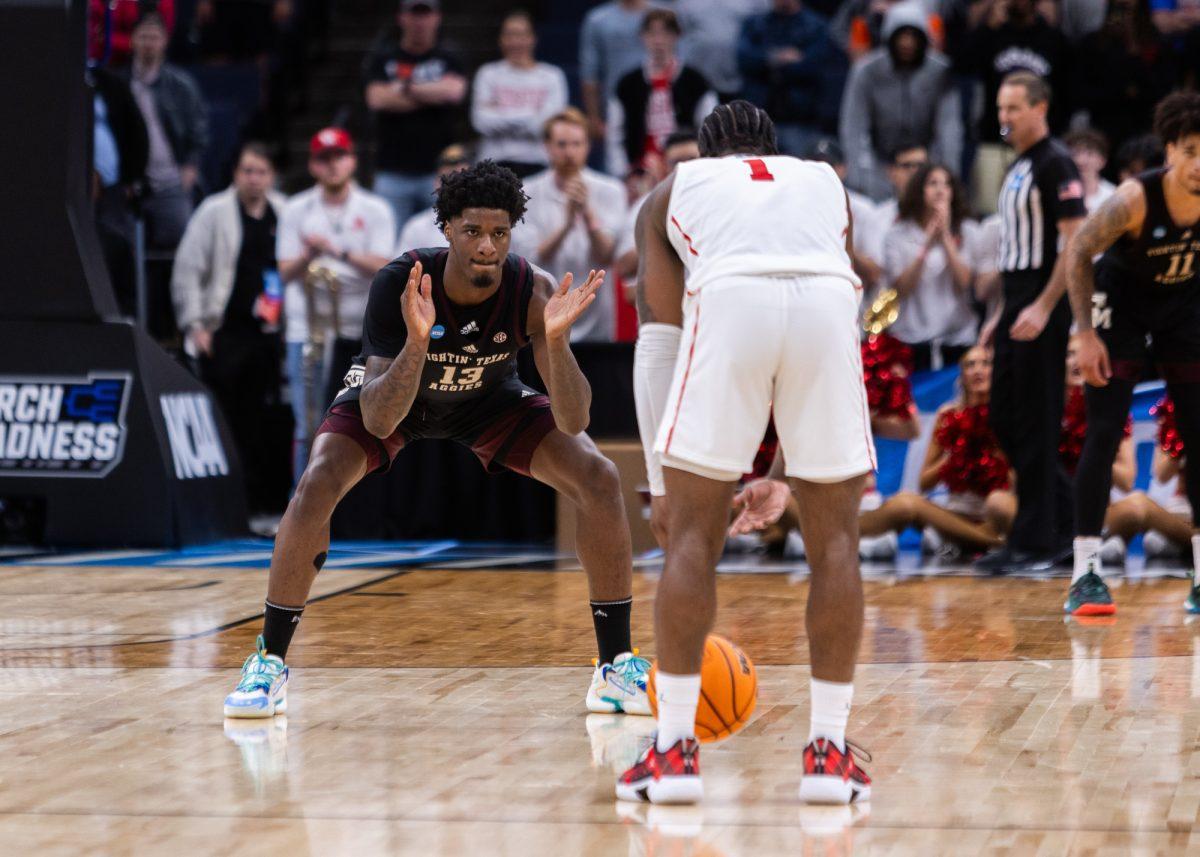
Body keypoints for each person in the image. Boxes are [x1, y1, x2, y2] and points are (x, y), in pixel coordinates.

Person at [223, 161, 651, 720]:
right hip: (397, 393)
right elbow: (377, 419)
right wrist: (419, 344)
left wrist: (557, 340)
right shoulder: (401, 282)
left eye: (499, 234)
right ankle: (269, 662)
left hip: (487, 400)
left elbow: (574, 419)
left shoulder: (533, 289)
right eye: (473, 231)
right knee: (319, 479)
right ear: (446, 228)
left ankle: (615, 666)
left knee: (599, 476)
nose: (486, 247)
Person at [621, 101, 874, 805]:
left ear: (704, 153)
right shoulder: (826, 181)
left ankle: (673, 752)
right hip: (829, 306)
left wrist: (659, 481)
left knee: (694, 541)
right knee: (837, 546)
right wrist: (785, 474)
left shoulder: (675, 189)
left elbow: (660, 339)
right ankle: (828, 753)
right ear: (772, 148)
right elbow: (811, 304)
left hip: (726, 298)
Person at [1065, 90, 1200, 615]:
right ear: (1170, 152)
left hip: (1181, 308)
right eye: (1190, 150)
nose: (1198, 164)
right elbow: (1078, 250)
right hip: (1118, 309)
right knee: (1104, 430)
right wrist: (1084, 333)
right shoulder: (1134, 198)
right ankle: (1085, 573)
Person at [731, 347, 1010, 560]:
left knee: (910, 505)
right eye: (971, 364)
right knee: (762, 495)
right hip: (946, 513)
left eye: (985, 363)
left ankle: (992, 541)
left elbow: (870, 473)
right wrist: (955, 459)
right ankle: (786, 536)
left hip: (989, 511)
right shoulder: (949, 415)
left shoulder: (854, 411)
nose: (978, 370)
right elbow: (926, 481)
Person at [975, 71, 1087, 575]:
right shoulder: (1019, 165)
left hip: (1043, 303)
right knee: (1004, 415)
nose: (1005, 117)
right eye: (1001, 108)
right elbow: (1010, 255)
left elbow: (1075, 243)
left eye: (1014, 108)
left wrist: (1044, 307)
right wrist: (999, 315)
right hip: (1016, 300)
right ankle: (1068, 521)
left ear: (1041, 108)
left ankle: (1036, 541)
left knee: (1036, 421)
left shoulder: (1055, 162)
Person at [171, 143, 289, 512]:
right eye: (247, 171)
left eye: (261, 171)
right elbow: (188, 270)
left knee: (261, 420)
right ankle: (224, 501)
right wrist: (194, 324)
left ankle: (259, 500)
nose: (254, 179)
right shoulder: (214, 212)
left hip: (268, 333)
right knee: (226, 418)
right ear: (236, 174)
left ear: (271, 176)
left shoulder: (284, 212)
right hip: (224, 329)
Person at [276, 128, 395, 483]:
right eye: (323, 158)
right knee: (308, 421)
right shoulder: (296, 208)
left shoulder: (374, 208)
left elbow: (385, 267)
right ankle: (299, 505)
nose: (332, 165)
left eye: (339, 156)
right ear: (313, 165)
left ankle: (350, 512)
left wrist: (336, 251)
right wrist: (310, 254)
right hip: (308, 330)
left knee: (359, 423)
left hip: (358, 332)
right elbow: (284, 271)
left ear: (352, 160)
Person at [515, 109, 627, 343]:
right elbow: (532, 259)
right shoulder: (526, 192)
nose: (569, 153)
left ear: (588, 146)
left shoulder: (611, 190)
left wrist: (587, 214)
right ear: (547, 146)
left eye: (577, 144)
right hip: (544, 312)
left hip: (597, 316)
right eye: (562, 144)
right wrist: (566, 225)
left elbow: (606, 255)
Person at [838, 0, 962, 203]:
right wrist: (861, 177)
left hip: (925, 164)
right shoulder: (866, 71)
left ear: (925, 37)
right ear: (889, 36)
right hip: (879, 164)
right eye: (901, 35)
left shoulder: (940, 72)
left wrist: (945, 176)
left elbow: (949, 130)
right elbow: (854, 126)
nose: (907, 42)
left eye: (914, 35)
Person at [364, 0, 467, 226]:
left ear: (436, 18)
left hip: (439, 172)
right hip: (392, 171)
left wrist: (406, 88)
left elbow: (454, 92)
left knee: (442, 242)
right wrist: (433, 93)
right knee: (390, 245)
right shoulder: (384, 57)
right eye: (414, 14)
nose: (419, 21)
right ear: (401, 17)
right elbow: (376, 98)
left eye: (425, 14)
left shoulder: (449, 56)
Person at [962, 0, 1071, 215]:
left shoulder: (1053, 39)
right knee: (988, 211)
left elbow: (1067, 93)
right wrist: (987, 27)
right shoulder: (993, 35)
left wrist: (1054, 132)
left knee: (1038, 211)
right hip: (994, 140)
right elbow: (962, 65)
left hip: (1040, 143)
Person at [883, 162, 987, 370]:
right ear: (919, 190)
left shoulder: (969, 230)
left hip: (958, 337)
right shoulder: (897, 234)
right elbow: (900, 289)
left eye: (946, 184)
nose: (940, 189)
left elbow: (966, 283)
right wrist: (926, 245)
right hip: (913, 338)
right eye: (933, 183)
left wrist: (946, 237)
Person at [125, 10, 209, 249]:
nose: (149, 43)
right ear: (133, 40)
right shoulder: (120, 85)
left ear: (165, 41)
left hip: (172, 181)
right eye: (143, 37)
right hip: (130, 185)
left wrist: (190, 167)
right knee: (121, 249)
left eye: (154, 37)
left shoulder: (181, 85)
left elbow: (198, 130)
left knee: (184, 247)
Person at [606, 9, 719, 179]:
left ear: (677, 36)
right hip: (639, 173)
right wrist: (623, 173)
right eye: (652, 33)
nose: (658, 41)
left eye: (666, 33)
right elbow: (615, 133)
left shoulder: (696, 82)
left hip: (686, 170)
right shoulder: (627, 84)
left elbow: (709, 130)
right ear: (642, 36)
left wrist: (703, 169)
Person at [1072, 0, 1176, 160]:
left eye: (1130, 10)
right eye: (1120, 9)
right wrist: (1122, 91)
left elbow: (1162, 93)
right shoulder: (1093, 45)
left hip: (1145, 131)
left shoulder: (1158, 44)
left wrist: (1134, 51)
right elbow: (1082, 94)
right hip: (1104, 129)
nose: (1125, 17)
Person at [469, 10, 568, 179]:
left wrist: (500, 114)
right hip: (493, 164)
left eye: (521, 35)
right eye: (510, 35)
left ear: (533, 38)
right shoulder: (488, 73)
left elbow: (549, 127)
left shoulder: (552, 76)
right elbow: (480, 121)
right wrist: (532, 114)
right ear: (501, 39)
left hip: (538, 163)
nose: (516, 41)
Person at [736, 0, 842, 156]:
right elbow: (745, 59)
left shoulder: (817, 26)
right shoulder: (754, 24)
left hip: (801, 119)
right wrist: (777, 58)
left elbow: (814, 65)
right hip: (758, 118)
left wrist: (768, 61)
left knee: (798, 173)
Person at [579, 0, 666, 165]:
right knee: (620, 170)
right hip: (618, 109)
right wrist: (593, 117)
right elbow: (590, 72)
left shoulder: (665, 14)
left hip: (662, 103)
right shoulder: (597, 19)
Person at [803, 137, 885, 293]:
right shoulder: (795, 204)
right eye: (815, 165)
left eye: (829, 166)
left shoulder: (863, 209)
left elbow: (875, 273)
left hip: (852, 300)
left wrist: (840, 243)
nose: (822, 172)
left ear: (843, 169)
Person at [676, 0, 772, 102]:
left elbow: (767, 29)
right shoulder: (686, 3)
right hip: (699, 79)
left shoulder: (756, 3)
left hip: (745, 82)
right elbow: (680, 36)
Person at [394, 144, 471, 254]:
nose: (455, 185)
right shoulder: (417, 227)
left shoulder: (489, 222)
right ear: (436, 184)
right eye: (447, 179)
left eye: (462, 178)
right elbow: (401, 270)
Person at [1064, 128, 1116, 213]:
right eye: (1075, 153)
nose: (1081, 160)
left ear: (1102, 161)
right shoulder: (1061, 192)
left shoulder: (1112, 194)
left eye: (1090, 153)